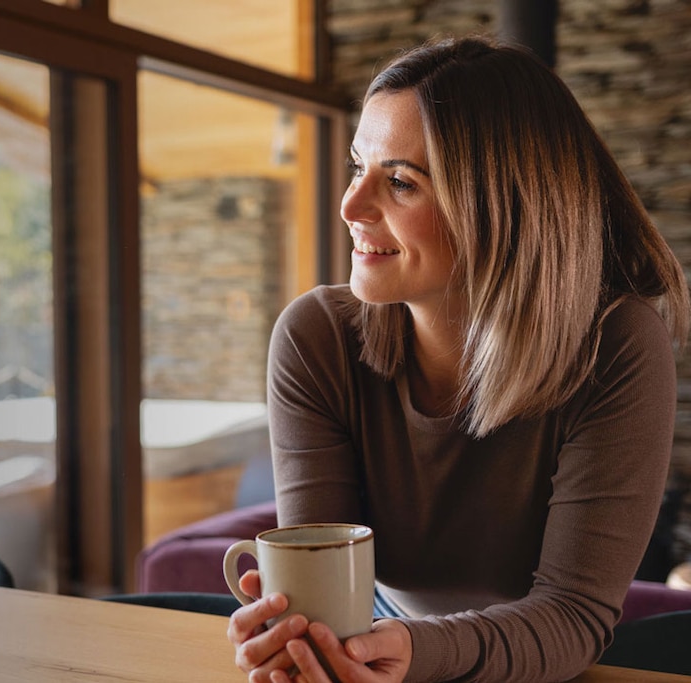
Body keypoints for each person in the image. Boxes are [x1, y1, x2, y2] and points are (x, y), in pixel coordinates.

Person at [226, 34, 690, 683]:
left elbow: (573, 613)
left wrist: (415, 651)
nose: (351, 206)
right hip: (383, 639)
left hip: (551, 660)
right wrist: (296, 634)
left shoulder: (617, 346)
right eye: (359, 166)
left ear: (503, 206)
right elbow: (323, 596)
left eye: (400, 182)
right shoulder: (315, 338)